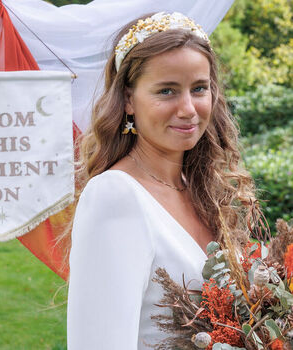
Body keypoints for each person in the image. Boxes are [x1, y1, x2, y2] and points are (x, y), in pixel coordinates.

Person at [66, 11, 255, 350]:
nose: (188, 108)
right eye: (167, 91)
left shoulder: (200, 190)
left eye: (199, 88)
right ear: (128, 100)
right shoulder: (115, 195)